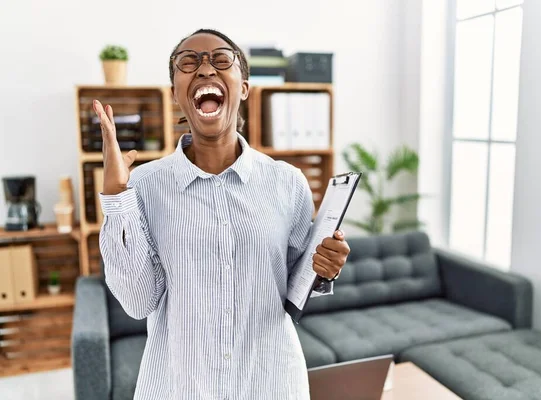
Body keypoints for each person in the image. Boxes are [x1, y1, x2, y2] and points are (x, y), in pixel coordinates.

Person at [93, 28, 350, 400]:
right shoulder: (144, 186)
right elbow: (138, 302)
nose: (204, 69)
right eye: (188, 62)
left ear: (243, 86)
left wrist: (324, 266)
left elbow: (295, 287)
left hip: (270, 382)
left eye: (221, 59)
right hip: (180, 385)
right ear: (175, 93)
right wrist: (117, 195)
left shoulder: (287, 182)